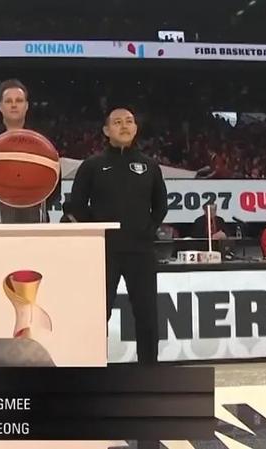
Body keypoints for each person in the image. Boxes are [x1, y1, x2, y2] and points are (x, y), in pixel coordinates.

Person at [66, 107, 168, 364]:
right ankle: (92, 366)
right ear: (106, 130)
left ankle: (149, 371)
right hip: (104, 251)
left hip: (141, 251)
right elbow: (76, 205)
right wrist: (96, 232)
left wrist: (147, 229)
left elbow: (161, 205)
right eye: (117, 122)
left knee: (146, 314)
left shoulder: (150, 166)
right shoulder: (92, 165)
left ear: (136, 128)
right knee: (98, 315)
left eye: (129, 121)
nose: (124, 126)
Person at [0, 79, 60, 223]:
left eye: (19, 100)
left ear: (26, 106)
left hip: (36, 222)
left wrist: (33, 205)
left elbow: (55, 187)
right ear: (0, 107)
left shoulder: (43, 145)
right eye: (8, 101)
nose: (14, 105)